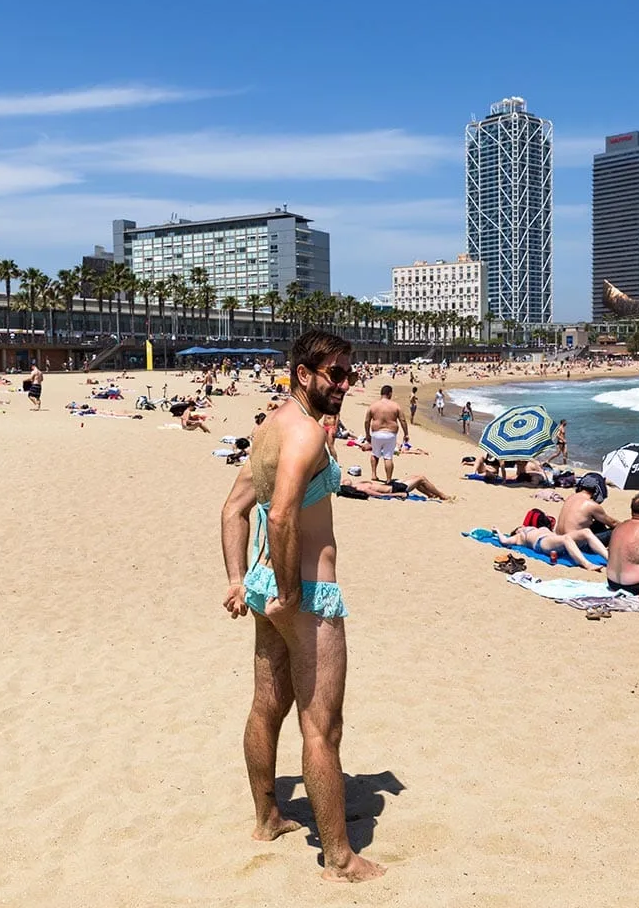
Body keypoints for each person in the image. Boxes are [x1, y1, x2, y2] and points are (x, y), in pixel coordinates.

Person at [218, 330, 383, 883]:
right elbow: (284, 514)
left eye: (349, 373)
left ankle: (267, 818)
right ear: (303, 374)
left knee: (267, 705)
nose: (345, 383)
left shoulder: (271, 426)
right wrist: (291, 594)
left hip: (268, 583)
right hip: (307, 595)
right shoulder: (306, 435)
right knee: (322, 727)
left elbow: (234, 508)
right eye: (335, 374)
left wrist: (241, 580)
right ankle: (339, 858)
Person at [497, 519, 607, 571]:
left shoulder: (535, 528)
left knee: (586, 532)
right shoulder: (519, 536)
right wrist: (497, 531)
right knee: (566, 538)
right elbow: (504, 541)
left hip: (554, 540)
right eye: (519, 527)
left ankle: (609, 558)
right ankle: (587, 564)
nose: (521, 526)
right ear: (517, 531)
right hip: (542, 543)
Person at [364, 385, 408, 482]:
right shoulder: (395, 406)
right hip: (390, 434)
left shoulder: (373, 406)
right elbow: (403, 420)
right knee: (388, 457)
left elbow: (367, 421)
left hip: (376, 433)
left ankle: (373, 474)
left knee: (375, 454)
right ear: (390, 393)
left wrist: (367, 434)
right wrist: (406, 433)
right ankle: (388, 479)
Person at [556, 479, 617, 544]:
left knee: (599, 523)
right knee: (615, 531)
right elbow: (613, 523)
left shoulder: (571, 497)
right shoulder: (590, 504)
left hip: (559, 539)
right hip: (575, 544)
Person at [344, 469, 453, 501]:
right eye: (344, 482)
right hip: (395, 489)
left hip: (392, 484)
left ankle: (430, 495)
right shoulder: (361, 488)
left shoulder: (357, 484)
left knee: (415, 477)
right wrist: (399, 494)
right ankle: (442, 495)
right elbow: (379, 495)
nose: (345, 480)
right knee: (421, 478)